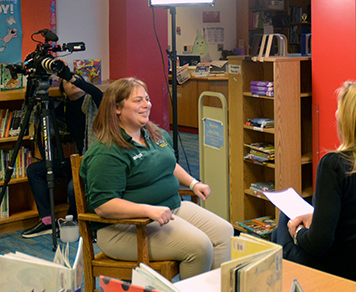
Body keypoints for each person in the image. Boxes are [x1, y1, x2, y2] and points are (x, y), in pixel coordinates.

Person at [80, 77, 232, 279]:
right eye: (138, 101)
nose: (147, 105)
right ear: (117, 108)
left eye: (147, 99)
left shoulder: (154, 133)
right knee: (199, 247)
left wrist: (192, 183)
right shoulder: (107, 152)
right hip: (124, 228)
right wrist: (148, 210)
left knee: (225, 232)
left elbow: (168, 164)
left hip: (168, 208)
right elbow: (104, 206)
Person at [271, 80, 356, 282]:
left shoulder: (334, 165)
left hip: (334, 268)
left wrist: (298, 232)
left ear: (349, 119)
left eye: (339, 108)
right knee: (286, 226)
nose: (336, 113)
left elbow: (318, 244)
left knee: (282, 224)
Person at [22, 65, 104, 238]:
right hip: (77, 160)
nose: (73, 83)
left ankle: (73, 222)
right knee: (34, 170)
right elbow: (36, 112)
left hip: (95, 160)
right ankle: (46, 221)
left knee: (73, 188)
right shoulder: (65, 108)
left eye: (77, 80)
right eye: (68, 81)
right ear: (63, 91)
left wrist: (73, 78)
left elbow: (98, 94)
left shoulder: (94, 103)